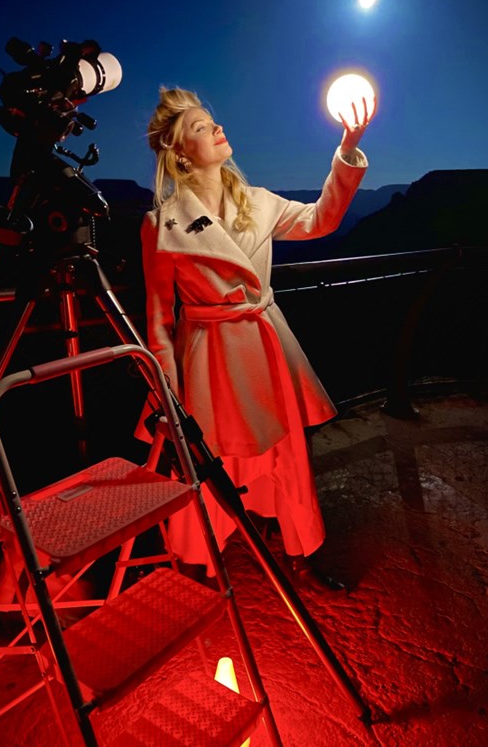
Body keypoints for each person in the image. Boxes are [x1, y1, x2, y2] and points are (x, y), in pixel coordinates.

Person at [140, 86, 375, 589]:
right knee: (206, 459)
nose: (217, 129)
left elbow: (321, 220)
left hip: (265, 346)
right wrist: (169, 394)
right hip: (208, 357)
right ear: (180, 153)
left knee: (286, 456)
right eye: (201, 128)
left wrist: (348, 149)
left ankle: (301, 552)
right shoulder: (160, 225)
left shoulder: (259, 203)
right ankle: (198, 561)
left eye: (212, 120)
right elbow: (159, 319)